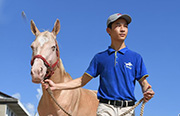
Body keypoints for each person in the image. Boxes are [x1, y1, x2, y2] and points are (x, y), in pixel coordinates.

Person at [42, 13, 155, 116]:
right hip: (106, 108)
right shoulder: (100, 58)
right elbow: (82, 81)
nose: (122, 29)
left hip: (128, 109)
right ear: (108, 30)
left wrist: (147, 90)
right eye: (118, 25)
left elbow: (144, 83)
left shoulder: (136, 58)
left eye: (125, 26)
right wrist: (56, 86)